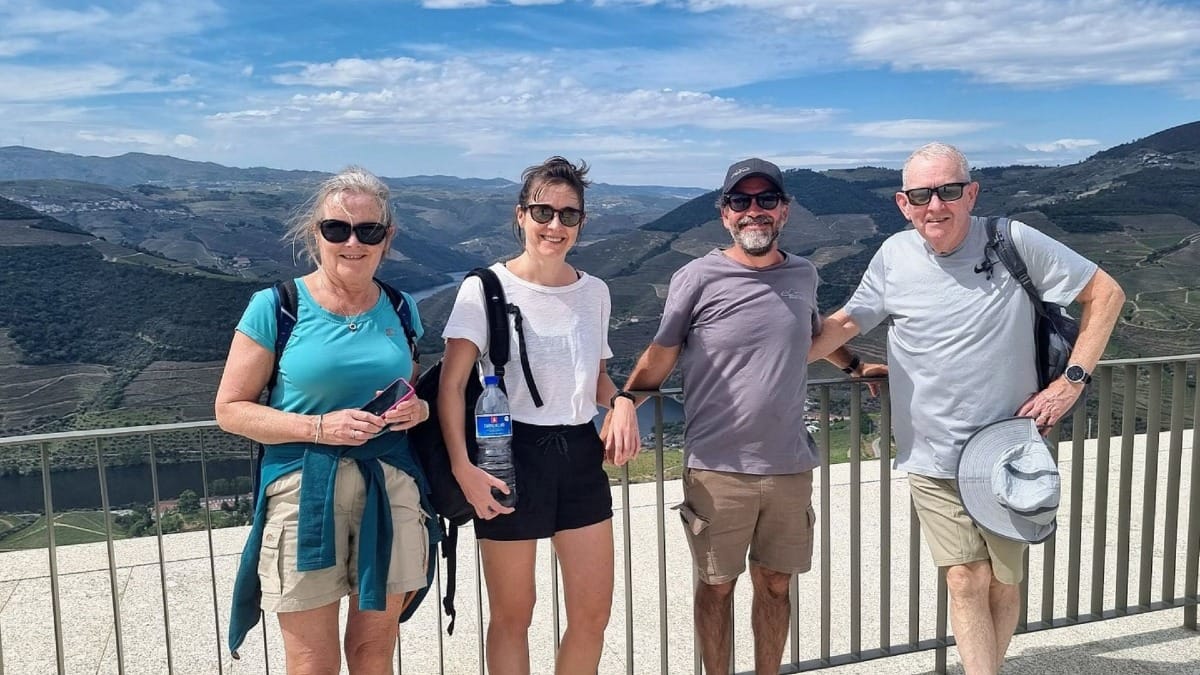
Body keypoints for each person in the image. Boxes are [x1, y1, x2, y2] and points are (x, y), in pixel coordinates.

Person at [809, 142, 1125, 675]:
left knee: (1004, 581)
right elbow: (845, 324)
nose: (935, 205)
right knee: (965, 577)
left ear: (970, 193)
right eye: (921, 194)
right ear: (902, 203)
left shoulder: (1012, 240)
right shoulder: (893, 256)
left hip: (1008, 450)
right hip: (931, 455)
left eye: (948, 190)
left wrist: (1071, 381)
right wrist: (763, 349)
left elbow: (1107, 293)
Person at [603, 158, 883, 675]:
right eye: (741, 201)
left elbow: (812, 333)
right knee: (716, 586)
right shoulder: (697, 276)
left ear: (784, 211)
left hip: (789, 466)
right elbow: (661, 353)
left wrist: (856, 365)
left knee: (777, 585)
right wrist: (625, 399)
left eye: (765, 200)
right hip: (717, 466)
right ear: (725, 214)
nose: (754, 211)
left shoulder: (804, 273)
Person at [217, 166, 439, 673]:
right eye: (336, 229)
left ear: (388, 237)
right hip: (304, 490)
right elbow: (229, 409)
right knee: (312, 660)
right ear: (315, 233)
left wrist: (419, 410)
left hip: (390, 484)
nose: (352, 242)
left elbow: (413, 387)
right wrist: (320, 427)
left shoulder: (402, 309)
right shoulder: (277, 307)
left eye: (369, 231)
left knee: (373, 650)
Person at [438, 156, 618, 675]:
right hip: (507, 455)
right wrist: (461, 468)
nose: (555, 226)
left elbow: (597, 378)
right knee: (514, 616)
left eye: (568, 215)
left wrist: (622, 402)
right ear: (521, 216)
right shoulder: (486, 288)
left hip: (581, 455)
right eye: (543, 211)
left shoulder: (596, 293)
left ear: (581, 222)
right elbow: (452, 387)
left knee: (592, 613)